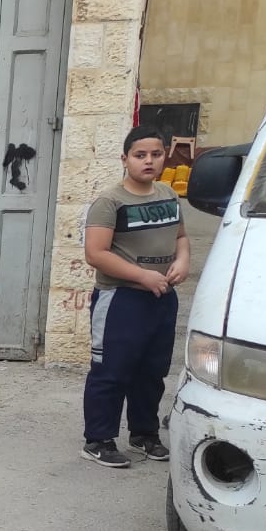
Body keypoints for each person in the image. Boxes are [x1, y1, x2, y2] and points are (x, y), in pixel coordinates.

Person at [80, 126, 189, 468]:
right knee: (110, 370)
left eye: (156, 154)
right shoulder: (110, 202)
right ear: (125, 159)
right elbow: (95, 253)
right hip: (120, 301)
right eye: (140, 155)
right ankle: (99, 439)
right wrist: (142, 275)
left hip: (161, 300)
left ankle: (144, 434)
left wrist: (183, 261)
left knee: (152, 372)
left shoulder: (169, 195)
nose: (149, 161)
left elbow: (181, 237)